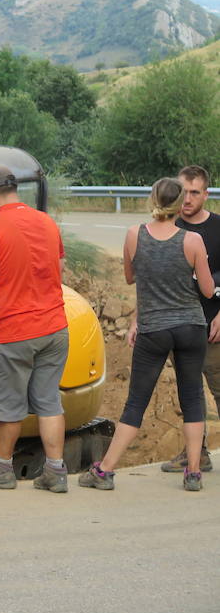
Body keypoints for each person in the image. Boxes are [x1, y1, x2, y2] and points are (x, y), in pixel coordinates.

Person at [80, 178, 212, 492]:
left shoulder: (133, 235)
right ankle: (193, 472)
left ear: (151, 200)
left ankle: (105, 470)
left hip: (153, 328)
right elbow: (207, 290)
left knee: (136, 402)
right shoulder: (192, 240)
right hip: (191, 326)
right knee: (192, 397)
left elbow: (130, 277)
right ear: (181, 206)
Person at [0, 166, 70, 493]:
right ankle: (55, 471)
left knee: (8, 404)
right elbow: (59, 268)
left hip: (13, 331)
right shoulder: (46, 221)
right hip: (54, 328)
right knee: (49, 401)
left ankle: (1, 470)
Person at [156, 165, 217, 473]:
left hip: (214, 327)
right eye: (184, 191)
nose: (189, 198)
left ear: (206, 194)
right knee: (190, 392)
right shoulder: (169, 228)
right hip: (181, 328)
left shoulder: (219, 228)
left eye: (195, 192)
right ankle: (198, 453)